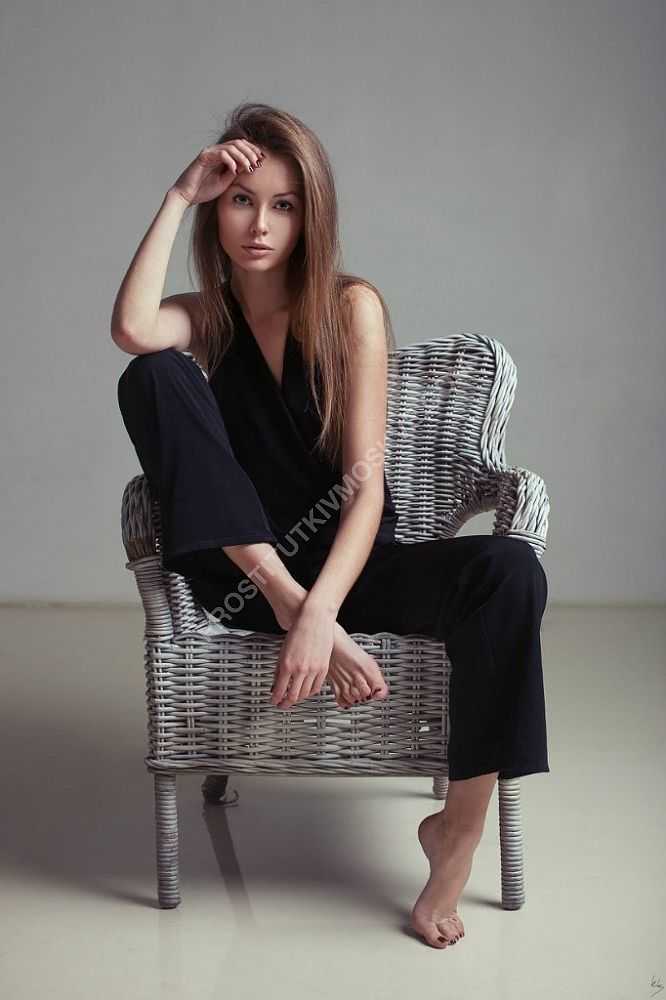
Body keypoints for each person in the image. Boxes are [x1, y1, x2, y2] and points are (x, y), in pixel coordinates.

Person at [112, 101, 550, 951]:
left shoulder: (351, 308)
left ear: (310, 215)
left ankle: (457, 837)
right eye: (241, 202)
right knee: (151, 374)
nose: (259, 225)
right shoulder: (207, 318)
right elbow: (131, 328)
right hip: (245, 579)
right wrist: (178, 193)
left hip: (350, 572)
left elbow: (365, 485)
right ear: (217, 212)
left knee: (510, 572)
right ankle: (287, 597)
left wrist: (320, 612)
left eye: (283, 205)